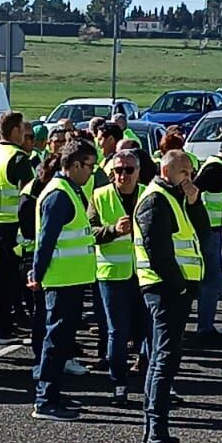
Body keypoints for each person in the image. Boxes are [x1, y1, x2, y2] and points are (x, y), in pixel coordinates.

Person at [136, 149, 208, 443]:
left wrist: (195, 202)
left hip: (175, 290)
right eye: (185, 173)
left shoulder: (175, 198)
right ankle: (156, 432)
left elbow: (202, 234)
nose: (189, 178)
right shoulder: (155, 200)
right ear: (168, 172)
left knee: (164, 358)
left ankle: (156, 430)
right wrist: (179, 288)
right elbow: (158, 251)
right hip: (165, 290)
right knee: (164, 359)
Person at [29, 140, 98, 421]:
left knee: (61, 340)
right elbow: (45, 242)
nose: (91, 172)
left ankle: (53, 393)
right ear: (75, 165)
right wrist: (38, 273)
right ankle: (45, 399)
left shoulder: (69, 190)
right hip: (60, 279)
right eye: (89, 166)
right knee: (56, 340)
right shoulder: (59, 195)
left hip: (70, 278)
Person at [90, 150, 148, 404]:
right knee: (117, 332)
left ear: (138, 172)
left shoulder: (149, 193)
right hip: (112, 275)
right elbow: (89, 232)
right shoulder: (100, 196)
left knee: (149, 331)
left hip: (146, 273)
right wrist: (113, 230)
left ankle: (155, 381)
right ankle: (119, 384)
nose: (122, 175)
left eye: (128, 170)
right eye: (117, 170)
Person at [0, 110, 36, 344]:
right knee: (20, 276)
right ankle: (16, 326)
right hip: (12, 225)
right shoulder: (19, 158)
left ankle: (3, 327)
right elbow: (29, 197)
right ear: (14, 131)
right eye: (23, 131)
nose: (25, 136)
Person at [192, 138, 222, 342]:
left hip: (218, 231)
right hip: (214, 233)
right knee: (214, 282)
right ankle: (205, 328)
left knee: (218, 281)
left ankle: (220, 325)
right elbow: (193, 191)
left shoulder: (217, 166)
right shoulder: (215, 168)